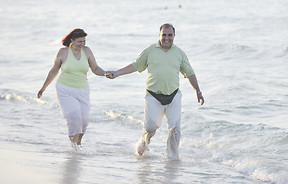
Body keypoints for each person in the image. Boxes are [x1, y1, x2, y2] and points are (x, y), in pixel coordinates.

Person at [106, 23, 204, 159]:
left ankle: (173, 157)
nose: (167, 38)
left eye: (170, 35)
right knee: (150, 127)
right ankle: (144, 143)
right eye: (164, 35)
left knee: (175, 129)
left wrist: (198, 91)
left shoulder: (179, 53)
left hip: (174, 95)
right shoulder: (150, 50)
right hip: (153, 96)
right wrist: (117, 73)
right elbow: (136, 65)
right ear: (159, 35)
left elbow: (190, 73)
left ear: (174, 36)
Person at [37, 28, 108, 148]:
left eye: (84, 41)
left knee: (84, 121)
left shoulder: (87, 51)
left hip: (83, 90)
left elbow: (95, 69)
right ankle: (74, 146)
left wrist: (105, 73)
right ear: (72, 40)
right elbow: (54, 70)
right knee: (74, 117)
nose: (83, 44)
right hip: (65, 90)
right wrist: (43, 88)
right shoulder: (63, 52)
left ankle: (77, 145)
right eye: (80, 41)